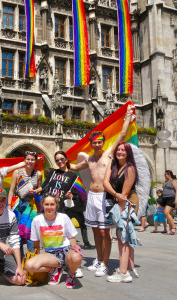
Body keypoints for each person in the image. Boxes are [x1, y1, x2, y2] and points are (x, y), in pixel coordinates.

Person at [70, 105, 134, 277]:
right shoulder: (89, 159)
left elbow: (121, 134)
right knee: (96, 230)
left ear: (103, 142)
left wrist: (127, 116)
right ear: (91, 144)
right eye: (94, 142)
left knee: (105, 231)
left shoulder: (109, 154)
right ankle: (98, 259)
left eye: (99, 142)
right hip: (91, 196)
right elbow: (74, 166)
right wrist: (61, 160)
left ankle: (105, 263)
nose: (97, 144)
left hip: (104, 196)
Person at [25, 195, 83, 289]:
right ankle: (55, 270)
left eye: (52, 204)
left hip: (66, 251)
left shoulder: (63, 217)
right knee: (29, 266)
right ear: (42, 205)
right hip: (51, 255)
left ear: (56, 205)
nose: (49, 207)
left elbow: (71, 237)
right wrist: (38, 258)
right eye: (46, 204)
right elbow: (36, 242)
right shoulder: (37, 220)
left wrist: (74, 246)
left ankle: (71, 275)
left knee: (77, 257)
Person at [103, 142, 139, 283]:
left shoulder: (130, 168)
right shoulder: (113, 165)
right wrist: (115, 194)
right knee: (125, 235)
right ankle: (129, 267)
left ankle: (123, 273)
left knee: (122, 235)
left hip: (128, 200)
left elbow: (125, 193)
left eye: (123, 150)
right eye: (118, 150)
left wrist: (118, 205)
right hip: (119, 198)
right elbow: (105, 182)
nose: (120, 152)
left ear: (128, 152)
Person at [7, 151, 42, 256]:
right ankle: (20, 258)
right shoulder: (17, 172)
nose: (30, 161)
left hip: (30, 205)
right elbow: (12, 190)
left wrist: (35, 191)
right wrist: (9, 205)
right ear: (24, 160)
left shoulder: (38, 174)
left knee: (29, 232)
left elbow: (40, 188)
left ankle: (31, 258)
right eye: (28, 159)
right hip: (18, 204)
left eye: (32, 159)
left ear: (35, 161)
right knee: (18, 232)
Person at [162, 170, 177, 235]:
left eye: (165, 174)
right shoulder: (166, 182)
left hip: (171, 199)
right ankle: (170, 229)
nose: (164, 176)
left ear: (169, 175)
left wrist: (176, 199)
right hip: (166, 199)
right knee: (169, 214)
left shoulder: (173, 181)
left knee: (166, 212)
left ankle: (174, 227)